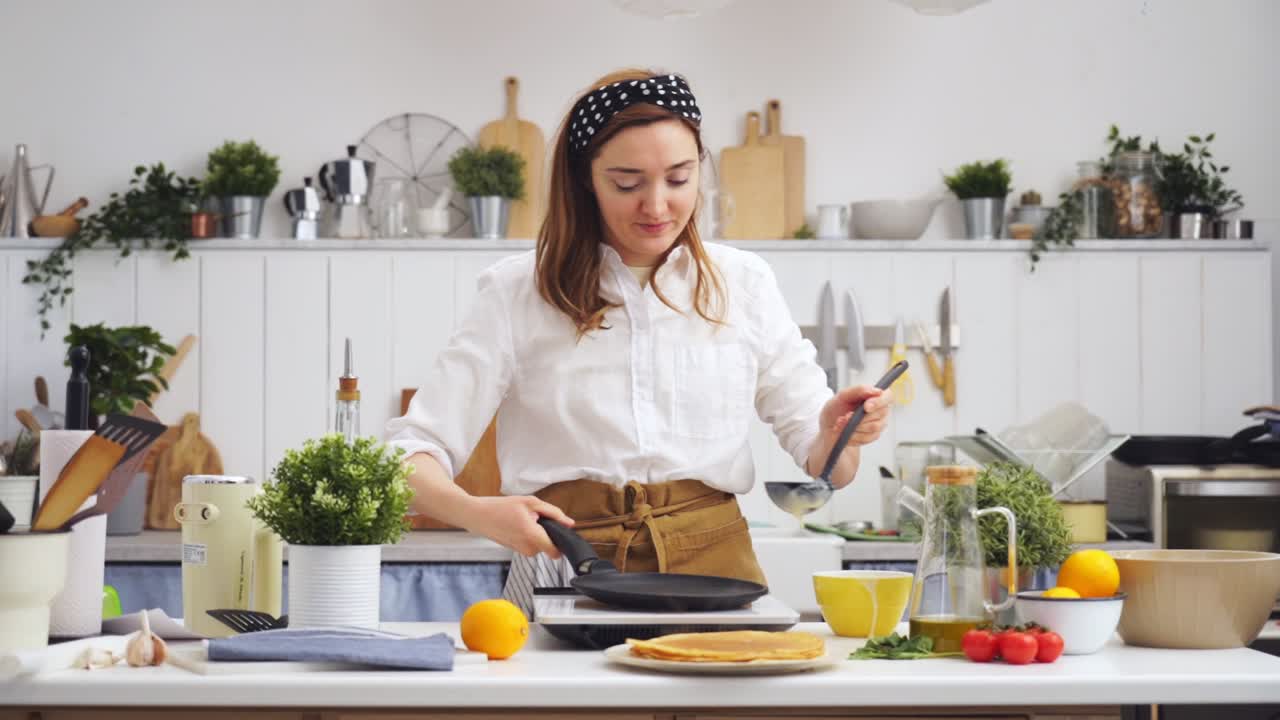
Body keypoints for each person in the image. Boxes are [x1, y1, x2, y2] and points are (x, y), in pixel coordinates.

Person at [385, 68, 892, 617]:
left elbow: (829, 470)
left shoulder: (743, 283)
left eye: (679, 178)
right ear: (586, 180)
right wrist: (477, 512)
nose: (656, 206)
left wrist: (838, 435)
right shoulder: (516, 293)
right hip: (570, 563)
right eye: (627, 183)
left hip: (717, 573)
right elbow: (409, 456)